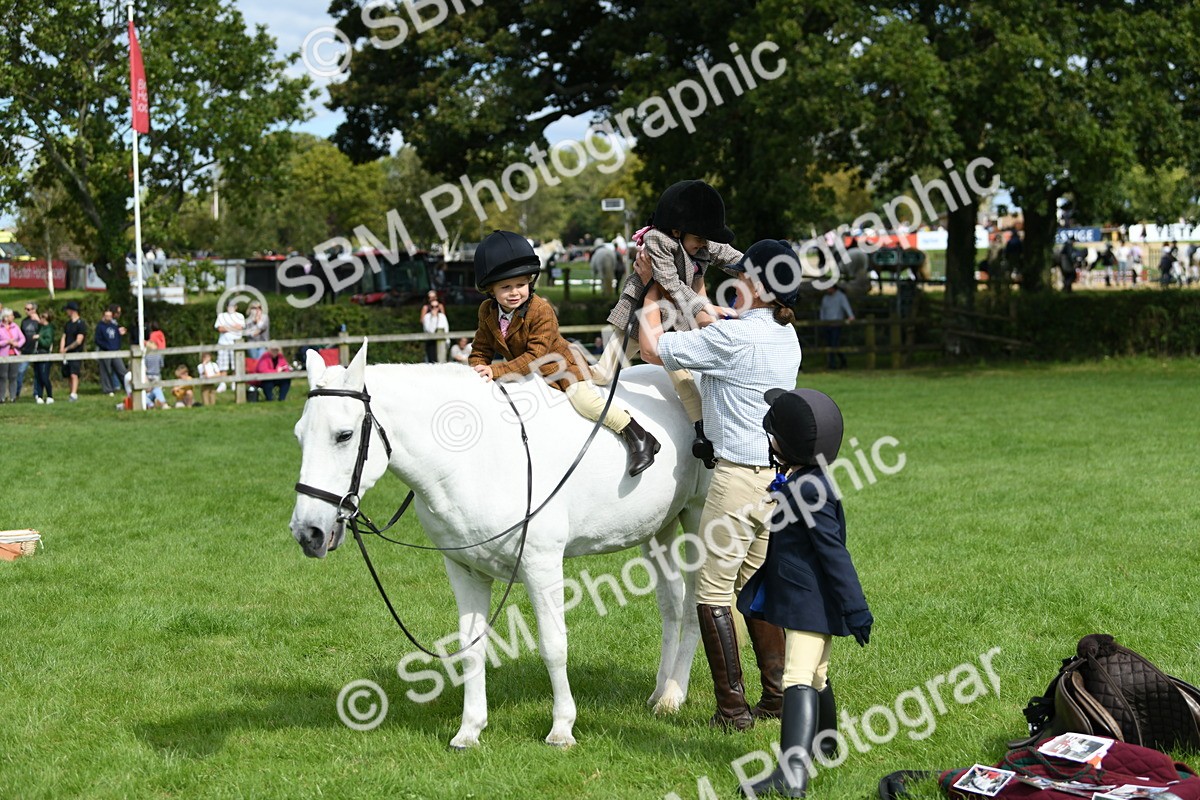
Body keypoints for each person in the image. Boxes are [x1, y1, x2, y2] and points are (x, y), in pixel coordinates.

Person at [638, 238, 804, 731]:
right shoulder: (782, 333)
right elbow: (716, 320)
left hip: (735, 480)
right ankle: (775, 698)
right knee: (753, 586)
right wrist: (692, 291)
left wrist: (652, 292)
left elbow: (652, 348)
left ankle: (732, 710)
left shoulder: (734, 340)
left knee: (712, 594)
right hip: (777, 481)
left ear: (755, 285)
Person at [736, 388, 873, 798]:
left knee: (796, 677)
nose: (770, 441)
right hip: (804, 596)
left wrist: (856, 608)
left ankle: (791, 773)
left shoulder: (809, 489)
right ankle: (825, 744)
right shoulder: (805, 478)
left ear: (787, 444)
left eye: (774, 435)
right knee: (816, 675)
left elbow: (835, 553)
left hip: (809, 601)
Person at [469, 229, 659, 477]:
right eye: (506, 287)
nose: (515, 292)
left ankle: (638, 436)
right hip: (527, 372)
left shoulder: (541, 310)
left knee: (585, 402)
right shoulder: (487, 311)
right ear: (490, 291)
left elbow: (534, 357)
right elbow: (481, 347)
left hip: (562, 368)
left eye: (521, 284)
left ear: (531, 282)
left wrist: (494, 370)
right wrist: (476, 371)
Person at [593, 180, 742, 468]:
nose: (704, 243)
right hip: (639, 318)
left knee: (684, 380)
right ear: (677, 230)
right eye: (699, 237)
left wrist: (760, 263)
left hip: (673, 322)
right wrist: (708, 308)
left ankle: (703, 434)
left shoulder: (699, 241)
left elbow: (729, 256)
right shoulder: (658, 242)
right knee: (602, 373)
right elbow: (671, 285)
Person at [94, 304, 128, 396]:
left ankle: (128, 387)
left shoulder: (114, 326)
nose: (108, 318)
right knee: (105, 371)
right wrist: (106, 347)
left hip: (115, 351)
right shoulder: (100, 326)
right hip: (105, 351)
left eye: (110, 316)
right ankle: (108, 390)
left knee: (121, 370)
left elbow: (116, 338)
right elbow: (97, 340)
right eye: (107, 316)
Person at [819, 285, 855, 370]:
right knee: (831, 344)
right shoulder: (825, 298)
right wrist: (822, 321)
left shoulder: (841, 296)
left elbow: (846, 306)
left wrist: (851, 316)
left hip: (836, 324)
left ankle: (833, 364)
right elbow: (822, 310)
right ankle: (839, 361)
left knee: (834, 344)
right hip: (827, 324)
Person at [59, 301, 87, 401]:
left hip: (76, 352)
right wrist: (62, 348)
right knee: (68, 374)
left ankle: (74, 393)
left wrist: (67, 348)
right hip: (66, 353)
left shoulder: (81, 324)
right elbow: (64, 336)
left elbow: (79, 340)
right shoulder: (68, 324)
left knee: (74, 374)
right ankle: (71, 392)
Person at [214, 300, 245, 379]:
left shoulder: (240, 316)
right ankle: (223, 383)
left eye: (232, 306)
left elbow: (240, 327)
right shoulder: (221, 316)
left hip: (236, 344)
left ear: (236, 307)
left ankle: (235, 383)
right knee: (223, 365)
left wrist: (227, 327)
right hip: (223, 343)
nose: (230, 308)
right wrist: (233, 327)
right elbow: (220, 328)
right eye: (229, 306)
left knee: (236, 365)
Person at [0, 307, 26, 402]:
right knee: (2, 376)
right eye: (11, 315)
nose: (13, 317)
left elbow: (22, 338)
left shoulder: (15, 326)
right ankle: (1, 397)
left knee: (13, 376)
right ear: (6, 317)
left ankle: (13, 397)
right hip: (3, 355)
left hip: (14, 354)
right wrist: (6, 342)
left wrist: (17, 344)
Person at [16, 302, 40, 398]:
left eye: (28, 309)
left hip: (36, 350)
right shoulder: (24, 321)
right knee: (20, 371)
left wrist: (38, 320)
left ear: (34, 310)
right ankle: (16, 393)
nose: (26, 311)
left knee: (37, 373)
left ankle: (36, 393)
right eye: (25, 309)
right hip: (25, 350)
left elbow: (45, 331)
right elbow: (21, 335)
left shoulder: (39, 321)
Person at [32, 309, 55, 404]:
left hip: (44, 353)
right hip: (37, 353)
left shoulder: (49, 329)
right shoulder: (40, 327)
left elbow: (47, 343)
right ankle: (40, 396)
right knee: (38, 376)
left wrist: (39, 338)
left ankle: (50, 395)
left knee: (44, 376)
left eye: (42, 317)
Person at [420, 291, 449, 363]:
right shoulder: (426, 310)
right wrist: (433, 317)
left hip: (441, 338)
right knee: (432, 362)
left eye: (436, 306)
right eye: (433, 307)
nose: (435, 308)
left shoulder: (441, 311)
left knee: (442, 361)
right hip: (430, 338)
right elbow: (428, 328)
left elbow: (445, 325)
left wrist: (447, 340)